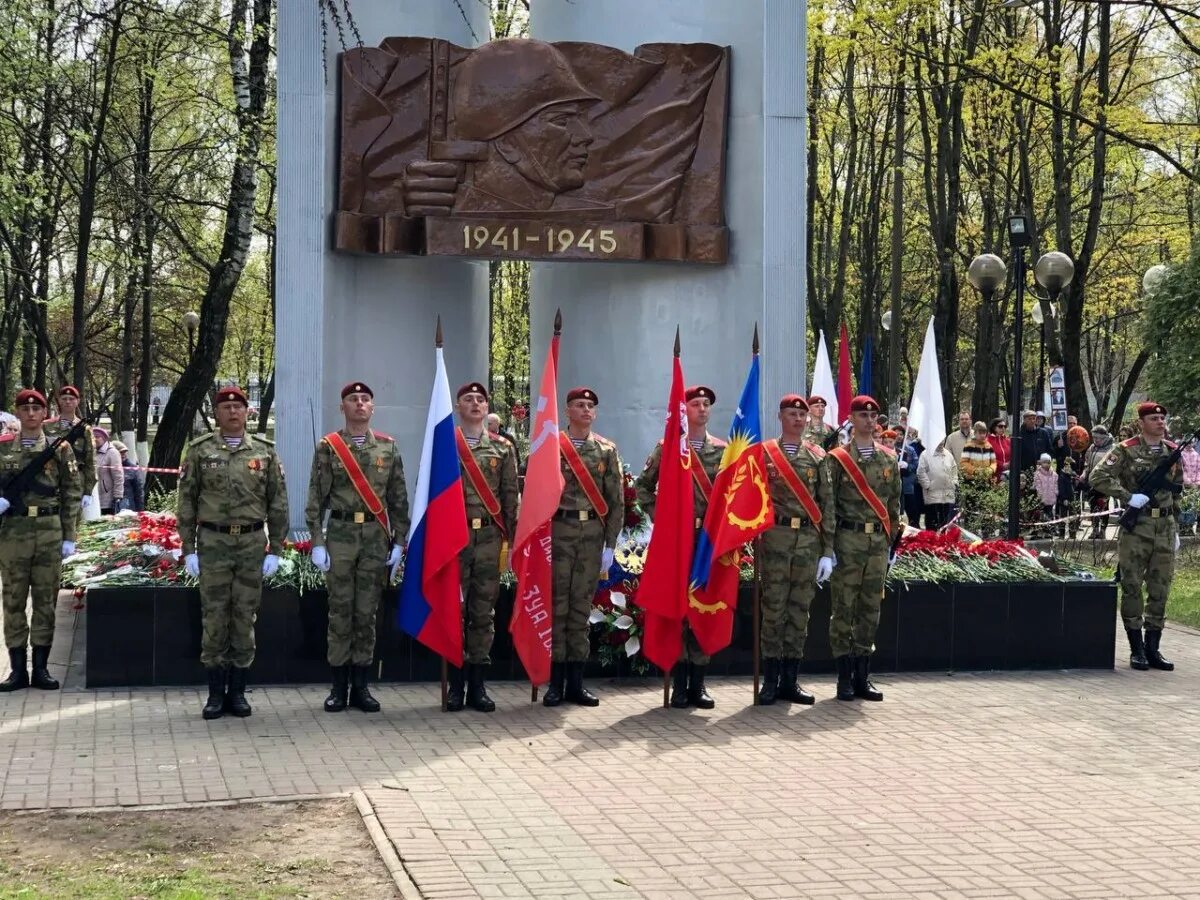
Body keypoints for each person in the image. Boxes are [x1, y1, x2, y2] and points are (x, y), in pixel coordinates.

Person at [177, 386, 290, 720]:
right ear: (217, 413)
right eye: (225, 407)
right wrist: (188, 549)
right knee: (214, 618)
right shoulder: (199, 451)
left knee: (244, 617)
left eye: (238, 407)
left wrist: (276, 548)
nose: (232, 412)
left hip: (251, 544)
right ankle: (215, 694)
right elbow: (186, 502)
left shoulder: (265, 452)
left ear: (247, 412)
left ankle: (238, 692)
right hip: (213, 543)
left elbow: (278, 502)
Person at [305, 382, 409, 715]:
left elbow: (398, 499)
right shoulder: (329, 447)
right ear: (343, 407)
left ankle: (361, 687)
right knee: (340, 612)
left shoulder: (388, 448)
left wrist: (400, 541)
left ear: (372, 408)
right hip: (341, 535)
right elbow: (315, 498)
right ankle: (338, 688)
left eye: (365, 399)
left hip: (375, 539)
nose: (360, 404)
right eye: (353, 399)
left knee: (366, 613)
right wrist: (317, 541)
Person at [635, 384, 725, 708]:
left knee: (703, 606)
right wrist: (663, 518)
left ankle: (698, 684)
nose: (702, 409)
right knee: (678, 609)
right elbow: (642, 487)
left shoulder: (722, 450)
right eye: (695, 404)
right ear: (683, 410)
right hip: (678, 539)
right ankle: (679, 685)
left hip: (707, 542)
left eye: (706, 404)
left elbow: (732, 494)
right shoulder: (669, 446)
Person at [545, 386, 624, 707]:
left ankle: (576, 683)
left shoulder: (606, 450)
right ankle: (555, 683)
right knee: (557, 607)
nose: (586, 410)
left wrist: (610, 544)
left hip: (592, 534)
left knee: (580, 608)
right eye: (579, 405)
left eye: (591, 406)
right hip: (559, 531)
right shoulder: (551, 446)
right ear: (567, 411)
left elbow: (615, 500)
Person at [1089, 402, 1182, 672]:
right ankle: (1136, 649)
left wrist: (1176, 527)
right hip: (1138, 526)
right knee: (1132, 586)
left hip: (1165, 526)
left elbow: (1177, 490)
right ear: (1141, 422)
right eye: (1153, 418)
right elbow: (1098, 477)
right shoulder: (1125, 449)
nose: (1160, 422)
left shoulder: (1172, 450)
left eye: (1162, 418)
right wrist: (1129, 496)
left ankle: (1153, 648)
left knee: (1160, 588)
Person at [0, 389, 82, 692]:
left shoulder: (60, 448)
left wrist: (69, 536)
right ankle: (17, 670)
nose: (31, 413)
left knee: (46, 600)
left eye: (37, 409)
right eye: (25, 408)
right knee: (13, 600)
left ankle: (41, 669)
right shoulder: (3, 448)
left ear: (45, 412)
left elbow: (72, 492)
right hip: (13, 531)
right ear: (18, 412)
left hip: (49, 530)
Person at [755, 394, 832, 706]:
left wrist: (827, 551)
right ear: (780, 417)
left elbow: (827, 504)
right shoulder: (764, 454)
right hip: (775, 540)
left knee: (800, 611)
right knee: (773, 610)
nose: (798, 419)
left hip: (807, 543)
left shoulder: (817, 456)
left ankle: (790, 680)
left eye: (802, 415)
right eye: (791, 414)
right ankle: (769, 681)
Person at [447, 383, 519, 712]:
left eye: (480, 399)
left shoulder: (503, 448)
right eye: (468, 399)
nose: (475, 403)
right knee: (454, 611)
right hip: (454, 539)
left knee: (483, 613)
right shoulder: (445, 444)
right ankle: (455, 686)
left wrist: (514, 543)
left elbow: (510, 498)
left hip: (489, 538)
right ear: (458, 406)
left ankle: (477, 685)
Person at [825, 395, 901, 702]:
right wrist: (828, 548)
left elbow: (893, 505)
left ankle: (862, 676)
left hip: (877, 544)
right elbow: (829, 505)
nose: (869, 421)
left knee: (870, 609)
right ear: (852, 419)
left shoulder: (888, 459)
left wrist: (891, 544)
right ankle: (844, 677)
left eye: (873, 416)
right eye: (863, 415)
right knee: (844, 608)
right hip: (848, 541)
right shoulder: (838, 459)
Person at [44, 386, 95, 523]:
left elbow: (90, 460)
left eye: (71, 399)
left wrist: (88, 491)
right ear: (59, 401)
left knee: (72, 521)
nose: (67, 401)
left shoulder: (85, 429)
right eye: (64, 398)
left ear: (77, 401)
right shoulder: (46, 426)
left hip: (76, 480)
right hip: (52, 479)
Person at [1081, 425, 1116, 538]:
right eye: (1094, 437)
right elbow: (1087, 463)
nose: (1095, 440)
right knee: (1093, 506)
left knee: (1104, 506)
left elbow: (1113, 466)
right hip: (1092, 482)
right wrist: (1084, 473)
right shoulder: (1092, 448)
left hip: (1105, 483)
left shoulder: (1112, 449)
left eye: (1097, 438)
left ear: (1104, 437)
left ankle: (1103, 531)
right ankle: (1095, 529)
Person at [917, 438, 958, 529]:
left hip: (947, 493)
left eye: (943, 440)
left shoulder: (948, 454)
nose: (941, 442)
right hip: (932, 493)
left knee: (945, 520)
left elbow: (954, 469)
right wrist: (928, 486)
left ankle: (943, 536)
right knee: (932, 520)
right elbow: (921, 472)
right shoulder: (925, 454)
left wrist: (954, 483)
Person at [92, 427, 124, 515]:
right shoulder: (91, 452)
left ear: (104, 438)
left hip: (107, 499)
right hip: (93, 497)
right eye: (93, 437)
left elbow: (118, 476)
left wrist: (118, 496)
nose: (95, 439)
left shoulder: (112, 453)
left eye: (97, 437)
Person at [891, 430, 921, 527]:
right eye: (896, 434)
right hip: (894, 486)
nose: (899, 436)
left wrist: (907, 466)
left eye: (901, 434)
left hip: (908, 485)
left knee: (912, 511)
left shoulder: (910, 449)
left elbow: (916, 464)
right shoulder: (889, 449)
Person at [112, 441, 144, 512]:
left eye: (124, 452)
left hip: (128, 507)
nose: (123, 455)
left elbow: (139, 491)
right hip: (109, 505)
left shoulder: (133, 469)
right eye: (120, 452)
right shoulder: (107, 467)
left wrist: (140, 510)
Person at [1033, 453, 1058, 535]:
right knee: (1042, 515)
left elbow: (1055, 485)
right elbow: (1038, 486)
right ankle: (1042, 530)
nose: (1046, 464)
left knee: (1050, 514)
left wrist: (1056, 493)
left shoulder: (1054, 474)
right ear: (1041, 463)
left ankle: (1051, 530)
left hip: (1051, 498)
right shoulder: (1038, 474)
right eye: (1044, 462)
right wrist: (1040, 496)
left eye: (1048, 462)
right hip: (1042, 499)